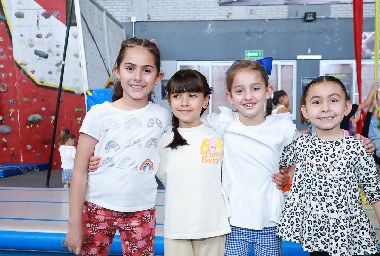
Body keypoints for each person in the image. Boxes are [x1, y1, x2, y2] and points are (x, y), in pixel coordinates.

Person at [65, 37, 172, 256]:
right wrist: (74, 225)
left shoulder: (164, 117)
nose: (137, 77)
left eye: (147, 70)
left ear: (158, 76)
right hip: (97, 207)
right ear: (117, 71)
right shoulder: (99, 114)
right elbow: (79, 169)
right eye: (130, 68)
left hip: (141, 211)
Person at [277, 76, 380, 256]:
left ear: (347, 107)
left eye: (333, 100)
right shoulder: (300, 146)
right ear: (305, 110)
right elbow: (274, 166)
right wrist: (283, 179)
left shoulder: (358, 148)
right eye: (317, 102)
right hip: (319, 241)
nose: (326, 108)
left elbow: (377, 194)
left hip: (356, 241)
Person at [203, 60, 301, 256]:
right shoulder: (224, 122)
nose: (248, 96)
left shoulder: (281, 127)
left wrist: (288, 176)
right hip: (233, 219)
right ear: (229, 97)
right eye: (239, 91)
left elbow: (306, 153)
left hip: (269, 219)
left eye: (255, 88)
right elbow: (190, 123)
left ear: (268, 91)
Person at [156, 69, 231, 255]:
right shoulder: (162, 140)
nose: (184, 102)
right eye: (177, 95)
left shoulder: (218, 136)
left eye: (192, 95)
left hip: (213, 227)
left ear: (206, 100)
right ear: (169, 100)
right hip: (177, 228)